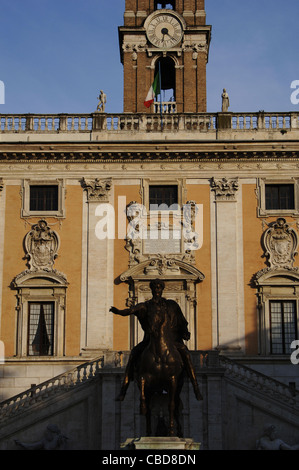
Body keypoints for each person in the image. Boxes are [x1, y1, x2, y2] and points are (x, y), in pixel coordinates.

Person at [110, 279, 202, 401]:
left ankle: (195, 387)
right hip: (149, 340)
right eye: (155, 287)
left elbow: (181, 320)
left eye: (159, 287)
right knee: (133, 355)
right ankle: (124, 389)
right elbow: (131, 310)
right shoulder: (146, 305)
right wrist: (118, 311)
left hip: (171, 340)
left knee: (186, 353)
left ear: (162, 289)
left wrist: (185, 331)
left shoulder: (171, 305)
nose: (157, 290)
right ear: (152, 289)